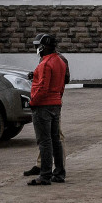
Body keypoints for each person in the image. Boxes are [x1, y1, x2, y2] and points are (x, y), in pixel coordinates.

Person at [27, 33, 67, 185]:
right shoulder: (60, 61)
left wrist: (33, 102)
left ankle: (44, 175)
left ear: (43, 46)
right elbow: (61, 85)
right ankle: (59, 173)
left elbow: (43, 87)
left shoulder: (45, 64)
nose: (37, 49)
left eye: (38, 46)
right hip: (56, 103)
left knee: (44, 142)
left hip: (43, 106)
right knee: (55, 140)